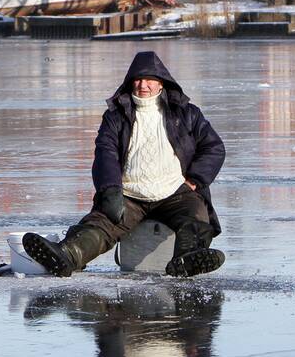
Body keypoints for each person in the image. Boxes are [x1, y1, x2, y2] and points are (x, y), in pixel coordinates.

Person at [23, 51, 226, 278]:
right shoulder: (116, 116)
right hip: (130, 194)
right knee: (102, 222)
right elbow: (105, 153)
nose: (143, 85)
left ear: (162, 83)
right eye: (138, 80)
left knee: (195, 216)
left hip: (175, 192)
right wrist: (110, 189)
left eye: (150, 80)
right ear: (130, 83)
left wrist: (195, 180)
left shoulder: (186, 113)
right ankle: (67, 255)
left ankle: (189, 259)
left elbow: (214, 147)